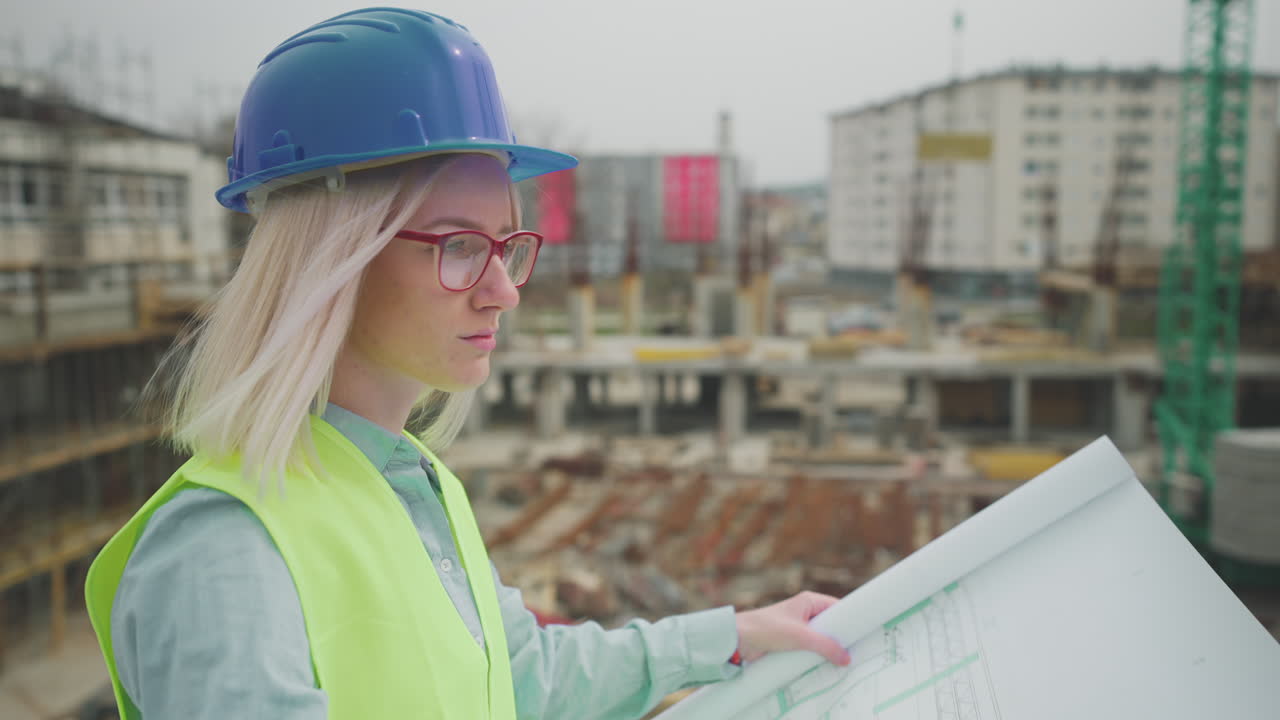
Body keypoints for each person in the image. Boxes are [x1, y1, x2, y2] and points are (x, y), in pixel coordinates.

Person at [85, 7, 850, 719]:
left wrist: (730, 637)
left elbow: (513, 674)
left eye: (508, 248)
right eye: (457, 247)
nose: (502, 294)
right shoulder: (225, 555)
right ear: (334, 261)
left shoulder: (413, 484)